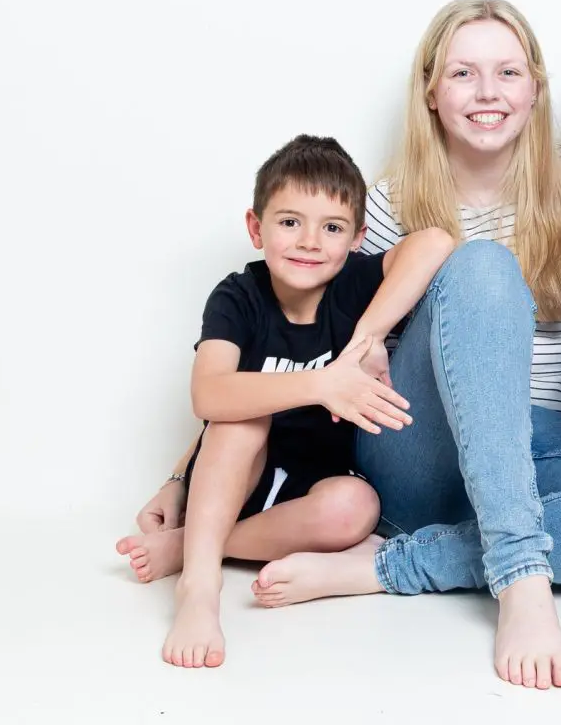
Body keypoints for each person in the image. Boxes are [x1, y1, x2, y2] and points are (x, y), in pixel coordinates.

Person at [132, 0, 561, 690]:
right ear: (431, 91)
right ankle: (522, 577)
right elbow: (285, 349)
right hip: (419, 451)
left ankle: (390, 566)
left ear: (536, 88)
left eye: (507, 73)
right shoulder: (382, 207)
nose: (488, 93)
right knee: (481, 265)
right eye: (463, 74)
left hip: (537, 450)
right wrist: (179, 477)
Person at [115, 134, 456, 669]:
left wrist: (364, 343)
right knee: (243, 417)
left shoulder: (351, 288)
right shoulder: (238, 297)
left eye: (333, 228)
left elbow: (434, 241)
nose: (310, 242)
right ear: (257, 228)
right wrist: (322, 383)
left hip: (301, 501)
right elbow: (209, 394)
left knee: (358, 507)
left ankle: (195, 546)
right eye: (290, 221)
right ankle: (199, 589)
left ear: (357, 240)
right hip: (231, 479)